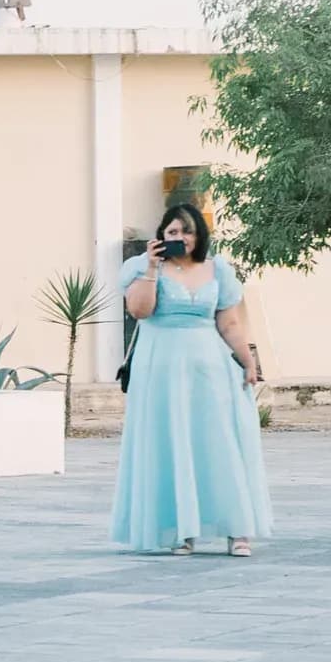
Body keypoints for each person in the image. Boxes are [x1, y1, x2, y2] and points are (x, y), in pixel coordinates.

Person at [113, 201, 270, 556]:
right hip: (161, 367)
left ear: (199, 235)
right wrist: (151, 268)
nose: (179, 237)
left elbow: (229, 323)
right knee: (170, 444)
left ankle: (237, 530)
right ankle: (181, 532)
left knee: (219, 441)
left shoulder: (218, 270)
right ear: (161, 236)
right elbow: (140, 311)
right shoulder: (140, 268)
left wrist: (248, 361)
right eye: (171, 232)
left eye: (186, 231)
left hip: (209, 366)